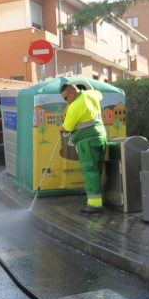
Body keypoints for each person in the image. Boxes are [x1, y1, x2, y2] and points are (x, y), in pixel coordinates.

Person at [60, 83, 107, 214]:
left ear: (72, 93)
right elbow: (100, 95)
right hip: (100, 137)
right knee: (97, 170)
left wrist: (61, 127)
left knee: (90, 171)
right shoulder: (91, 94)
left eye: (65, 98)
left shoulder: (74, 106)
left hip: (87, 141)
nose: (65, 101)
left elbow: (67, 128)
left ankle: (94, 205)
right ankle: (99, 199)